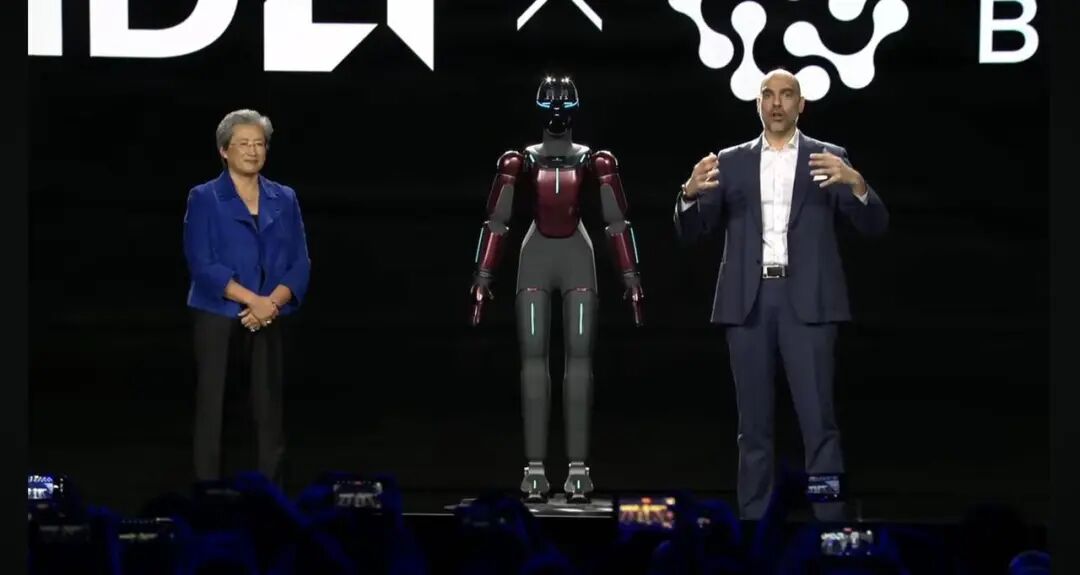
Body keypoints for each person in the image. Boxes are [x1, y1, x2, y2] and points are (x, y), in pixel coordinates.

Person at [673, 69, 888, 520]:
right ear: (758, 103)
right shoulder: (731, 161)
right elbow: (694, 230)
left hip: (808, 302)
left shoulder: (828, 157)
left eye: (786, 95)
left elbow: (873, 225)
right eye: (768, 95)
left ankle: (829, 522)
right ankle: (755, 523)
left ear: (800, 104)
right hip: (748, 303)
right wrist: (688, 194)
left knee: (819, 424)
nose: (776, 103)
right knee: (752, 428)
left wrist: (856, 184)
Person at [183, 109, 311, 486]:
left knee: (269, 410)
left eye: (259, 144)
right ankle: (209, 490)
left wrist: (271, 303)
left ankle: (272, 493)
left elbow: (300, 262)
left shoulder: (284, 197)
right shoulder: (204, 197)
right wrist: (252, 300)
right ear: (224, 150)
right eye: (243, 144)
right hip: (217, 314)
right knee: (213, 408)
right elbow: (201, 263)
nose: (253, 151)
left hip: (270, 313)